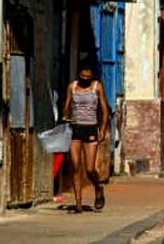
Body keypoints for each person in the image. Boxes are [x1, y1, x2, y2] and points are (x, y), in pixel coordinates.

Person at [62, 61, 110, 213]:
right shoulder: (72, 87)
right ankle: (78, 204)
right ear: (79, 75)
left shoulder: (97, 87)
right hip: (75, 129)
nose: (84, 79)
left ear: (92, 77)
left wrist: (102, 128)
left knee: (89, 168)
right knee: (75, 166)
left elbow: (104, 109)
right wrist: (64, 116)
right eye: (82, 76)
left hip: (90, 128)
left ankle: (98, 187)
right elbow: (67, 105)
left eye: (87, 77)